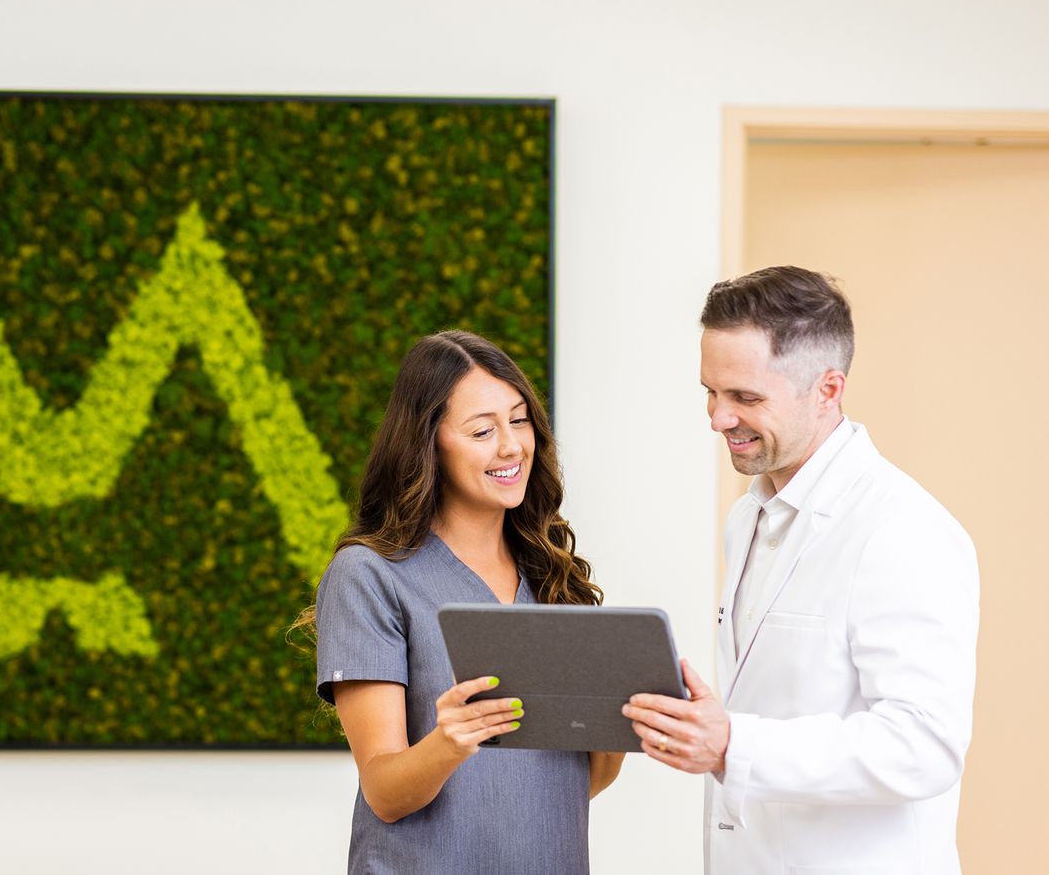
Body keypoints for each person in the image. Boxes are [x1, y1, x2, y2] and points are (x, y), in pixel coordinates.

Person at [622, 266, 979, 874]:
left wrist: (733, 742)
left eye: (746, 398)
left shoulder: (904, 530)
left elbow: (925, 746)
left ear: (828, 389)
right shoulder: (748, 517)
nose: (716, 419)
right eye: (710, 391)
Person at [306, 330, 620, 874]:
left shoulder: (551, 576)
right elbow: (385, 791)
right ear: (429, 442)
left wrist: (616, 725)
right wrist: (448, 742)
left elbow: (569, 785)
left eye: (519, 420)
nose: (511, 446)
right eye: (482, 430)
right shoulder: (370, 575)